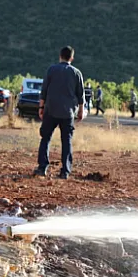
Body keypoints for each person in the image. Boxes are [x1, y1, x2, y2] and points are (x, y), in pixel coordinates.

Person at [33, 46, 85, 179]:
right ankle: (65, 171)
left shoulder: (52, 70)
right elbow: (81, 95)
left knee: (45, 138)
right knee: (66, 140)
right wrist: (80, 111)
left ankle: (42, 167)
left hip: (51, 110)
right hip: (68, 113)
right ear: (72, 58)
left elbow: (44, 91)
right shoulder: (76, 73)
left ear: (60, 56)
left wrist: (41, 108)